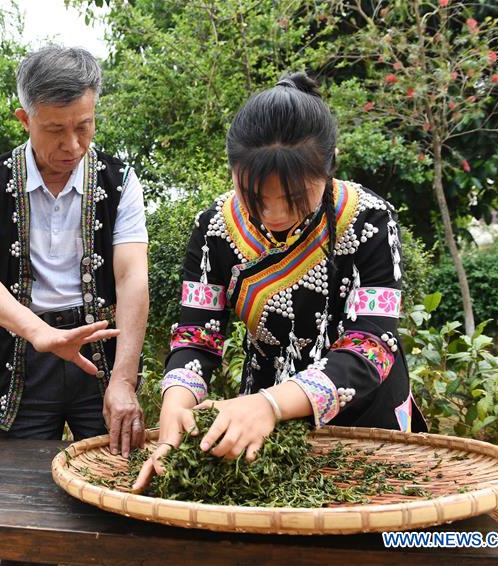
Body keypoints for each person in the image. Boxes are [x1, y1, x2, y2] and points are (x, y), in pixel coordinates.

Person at [135, 72, 426, 490]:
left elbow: (374, 345)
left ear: (329, 167)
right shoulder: (214, 230)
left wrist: (272, 404)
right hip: (259, 422)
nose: (274, 215)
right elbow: (196, 336)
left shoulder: (370, 220)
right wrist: (177, 402)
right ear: (232, 169)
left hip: (365, 418)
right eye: (254, 197)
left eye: (294, 198)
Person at [0, 46, 149, 457]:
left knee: (112, 472)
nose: (73, 144)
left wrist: (124, 380)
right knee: (15, 486)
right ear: (25, 120)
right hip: (22, 354)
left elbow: (131, 277)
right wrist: (42, 334)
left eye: (84, 126)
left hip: (101, 351)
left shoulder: (121, 182)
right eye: (55, 129)